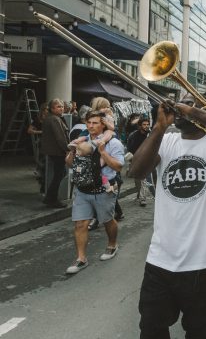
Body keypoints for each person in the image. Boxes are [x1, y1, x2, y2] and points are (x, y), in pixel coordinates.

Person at [129, 93, 206, 339]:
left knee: (196, 329)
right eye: (180, 103)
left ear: (205, 111)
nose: (180, 108)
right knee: (151, 329)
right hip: (160, 259)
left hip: (201, 262)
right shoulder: (166, 140)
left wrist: (191, 111)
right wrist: (159, 127)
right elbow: (136, 171)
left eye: (190, 104)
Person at [65, 110, 124, 274]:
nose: (91, 126)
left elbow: (119, 167)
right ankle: (81, 259)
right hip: (83, 190)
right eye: (89, 122)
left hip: (104, 190)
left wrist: (103, 151)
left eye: (95, 123)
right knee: (80, 224)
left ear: (103, 124)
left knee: (107, 220)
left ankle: (112, 245)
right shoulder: (81, 140)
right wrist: (72, 152)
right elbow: (70, 164)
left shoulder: (114, 143)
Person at [40, 98, 69, 208]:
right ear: (52, 108)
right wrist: (67, 149)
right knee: (59, 174)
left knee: (60, 173)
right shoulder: (54, 119)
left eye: (62, 106)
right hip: (57, 152)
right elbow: (60, 138)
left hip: (54, 151)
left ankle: (50, 198)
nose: (61, 108)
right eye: (58, 107)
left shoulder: (52, 118)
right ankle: (51, 199)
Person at [127, 117, 151, 206]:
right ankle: (140, 195)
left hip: (148, 159)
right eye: (144, 124)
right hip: (136, 159)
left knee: (144, 179)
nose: (146, 126)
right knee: (138, 179)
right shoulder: (134, 136)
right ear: (140, 126)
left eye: (148, 124)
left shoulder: (150, 134)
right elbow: (129, 148)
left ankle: (142, 198)